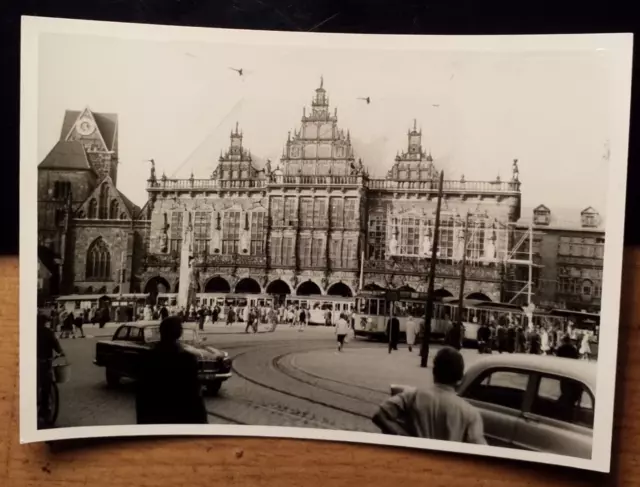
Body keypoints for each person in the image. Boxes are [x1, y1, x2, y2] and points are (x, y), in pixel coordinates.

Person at [372, 347, 486, 444]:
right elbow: (480, 450)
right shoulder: (470, 413)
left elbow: (380, 415)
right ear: (460, 379)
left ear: (434, 372)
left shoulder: (413, 396)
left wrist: (404, 438)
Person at [136, 317, 208, 424]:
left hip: (154, 416)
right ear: (179, 333)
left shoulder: (148, 357)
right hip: (181, 417)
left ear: (161, 332)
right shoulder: (187, 359)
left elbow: (141, 393)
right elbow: (194, 394)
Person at [37, 314, 64, 426]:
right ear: (45, 322)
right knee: (46, 387)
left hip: (32, 361)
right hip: (44, 362)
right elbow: (56, 345)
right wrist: (61, 352)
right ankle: (44, 412)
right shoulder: (48, 332)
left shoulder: (31, 331)